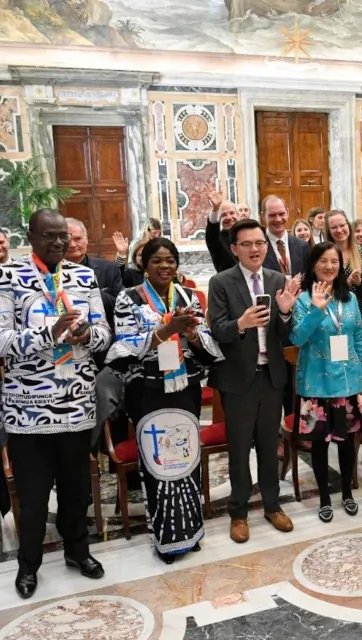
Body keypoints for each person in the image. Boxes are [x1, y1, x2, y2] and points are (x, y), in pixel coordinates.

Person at [0, 209, 111, 599]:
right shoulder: (8, 276)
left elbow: (105, 333)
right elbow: (2, 341)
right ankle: (28, 565)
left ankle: (77, 551)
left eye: (63, 236)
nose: (59, 244)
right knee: (31, 498)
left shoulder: (83, 275)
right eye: (49, 236)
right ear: (29, 236)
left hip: (76, 404)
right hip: (28, 410)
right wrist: (51, 332)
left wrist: (86, 335)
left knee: (75, 489)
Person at [105, 238, 223, 563]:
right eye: (157, 260)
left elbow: (207, 342)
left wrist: (192, 334)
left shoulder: (186, 296)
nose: (165, 266)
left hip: (185, 388)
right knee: (159, 464)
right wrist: (164, 330)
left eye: (170, 260)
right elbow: (123, 346)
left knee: (186, 459)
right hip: (147, 392)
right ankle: (166, 538)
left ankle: (191, 530)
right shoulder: (128, 299)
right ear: (144, 263)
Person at [207, 218, 300, 543]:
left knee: (267, 445)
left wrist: (286, 313)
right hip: (238, 379)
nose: (255, 249)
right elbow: (216, 330)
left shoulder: (277, 279)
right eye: (246, 244)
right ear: (234, 249)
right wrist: (242, 323)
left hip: (271, 375)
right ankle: (238, 512)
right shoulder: (221, 282)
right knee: (239, 448)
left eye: (259, 243)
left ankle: (273, 506)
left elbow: (286, 335)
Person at [291, 242, 362, 523]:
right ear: (313, 265)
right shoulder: (302, 300)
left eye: (334, 262)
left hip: (349, 382)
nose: (329, 266)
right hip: (317, 383)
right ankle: (324, 497)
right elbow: (297, 339)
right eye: (323, 261)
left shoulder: (348, 298)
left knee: (348, 442)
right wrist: (315, 309)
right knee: (320, 444)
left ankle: (347, 493)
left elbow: (358, 338)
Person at [65, 218, 123, 326]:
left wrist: (91, 292)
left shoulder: (109, 269)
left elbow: (121, 306)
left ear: (86, 239)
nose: (72, 245)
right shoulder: (50, 273)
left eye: (77, 239)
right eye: (67, 240)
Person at [326, 211, 362, 320]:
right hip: (331, 312)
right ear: (328, 231)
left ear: (348, 225)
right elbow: (321, 288)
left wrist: (359, 282)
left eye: (342, 225)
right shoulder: (324, 254)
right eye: (334, 227)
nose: (339, 230)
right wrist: (346, 284)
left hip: (356, 313)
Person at [261, 195, 310, 278]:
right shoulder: (257, 247)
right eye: (272, 215)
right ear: (263, 216)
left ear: (287, 212)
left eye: (281, 214)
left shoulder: (302, 246)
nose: (278, 219)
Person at [205, 191, 240, 273]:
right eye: (223, 215)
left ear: (238, 215)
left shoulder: (248, 235)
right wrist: (216, 209)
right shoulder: (217, 239)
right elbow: (212, 232)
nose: (229, 217)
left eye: (232, 213)